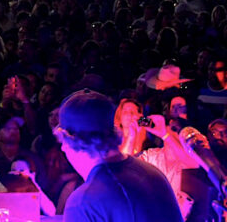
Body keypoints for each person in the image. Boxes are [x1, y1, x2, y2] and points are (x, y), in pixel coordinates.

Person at [55, 89, 182, 221]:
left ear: (68, 139)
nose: (63, 148)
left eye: (62, 141)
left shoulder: (83, 202)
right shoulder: (153, 173)